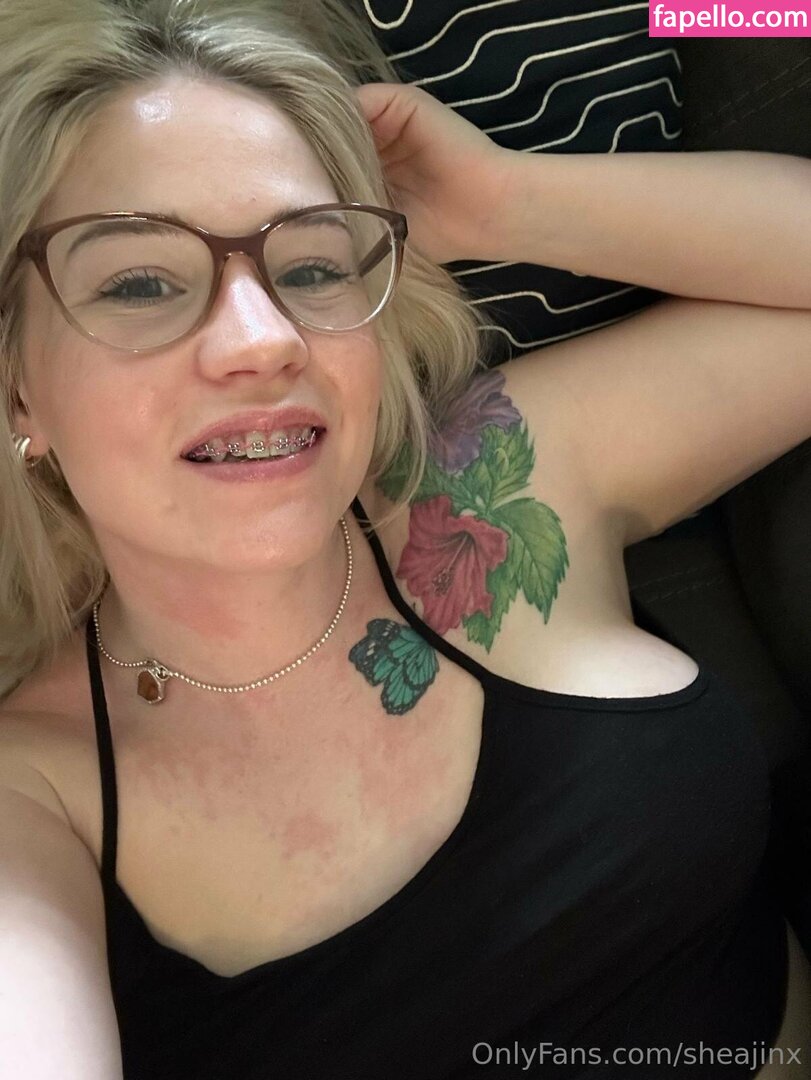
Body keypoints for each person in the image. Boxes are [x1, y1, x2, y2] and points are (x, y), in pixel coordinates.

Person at [0, 1, 809, 1078]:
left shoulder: (494, 477)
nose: (265, 341)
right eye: (140, 282)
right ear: (19, 388)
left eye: (311, 267)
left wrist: (505, 202)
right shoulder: (29, 800)